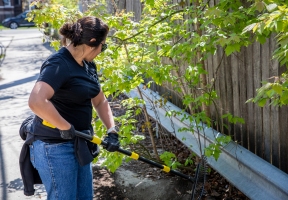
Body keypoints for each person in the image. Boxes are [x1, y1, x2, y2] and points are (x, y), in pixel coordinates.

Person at [22, 16, 120, 200]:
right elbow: (36, 101)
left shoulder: (88, 65)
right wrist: (65, 126)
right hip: (54, 147)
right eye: (103, 46)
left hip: (79, 142)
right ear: (92, 43)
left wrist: (112, 130)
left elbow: (99, 101)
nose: (101, 51)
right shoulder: (59, 64)